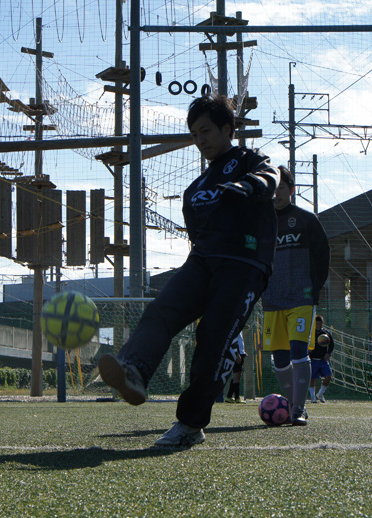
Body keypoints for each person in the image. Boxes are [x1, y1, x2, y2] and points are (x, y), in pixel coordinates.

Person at [98, 95, 280, 447]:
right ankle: (134, 370)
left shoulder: (250, 161)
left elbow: (270, 177)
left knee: (213, 339)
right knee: (161, 310)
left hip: (244, 265)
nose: (200, 140)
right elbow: (196, 233)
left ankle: (190, 425)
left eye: (206, 131)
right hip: (202, 261)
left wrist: (246, 186)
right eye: (194, 134)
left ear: (227, 129)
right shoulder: (195, 189)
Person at [261, 165, 330, 425]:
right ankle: (290, 405)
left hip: (301, 298)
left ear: (291, 190)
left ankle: (299, 409)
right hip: (272, 300)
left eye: (281, 187)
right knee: (279, 358)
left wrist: (314, 288)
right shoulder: (262, 223)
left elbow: (323, 256)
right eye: (272, 188)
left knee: (299, 350)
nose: (276, 193)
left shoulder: (306, 219)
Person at [309, 314, 334, 403]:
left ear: (322, 323)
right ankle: (313, 398)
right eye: (316, 324)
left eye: (320, 323)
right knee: (312, 378)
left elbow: (331, 345)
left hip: (322, 360)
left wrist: (328, 354)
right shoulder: (311, 334)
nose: (318, 325)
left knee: (328, 377)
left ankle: (320, 394)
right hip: (313, 359)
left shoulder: (326, 333)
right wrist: (308, 351)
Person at [224, 333, 247, 403]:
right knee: (237, 374)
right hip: (237, 352)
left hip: (240, 352)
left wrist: (242, 352)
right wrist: (237, 354)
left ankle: (229, 396)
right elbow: (233, 340)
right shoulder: (235, 328)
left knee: (237, 375)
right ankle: (236, 397)